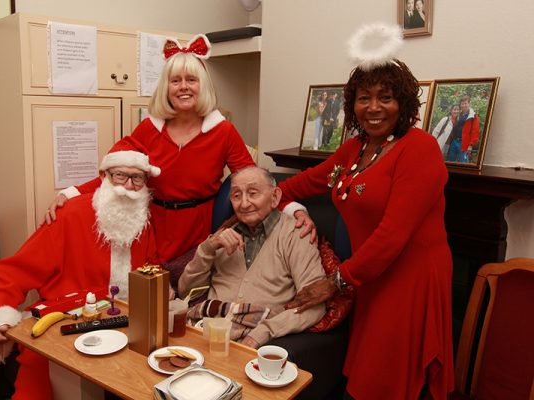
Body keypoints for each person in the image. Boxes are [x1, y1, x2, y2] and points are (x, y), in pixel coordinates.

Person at [279, 24, 454, 399]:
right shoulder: (356, 148)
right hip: (369, 277)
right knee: (367, 374)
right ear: (352, 104)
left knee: (389, 380)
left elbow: (392, 235)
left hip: (409, 279)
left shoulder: (419, 149)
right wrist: (278, 203)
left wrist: (335, 281)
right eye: (364, 98)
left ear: (404, 102)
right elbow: (304, 183)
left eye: (386, 97)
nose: (374, 108)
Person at [45, 34, 255, 263]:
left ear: (202, 85)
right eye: (175, 81)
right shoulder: (149, 129)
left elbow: (254, 182)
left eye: (191, 80)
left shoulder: (223, 131)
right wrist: (70, 193)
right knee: (149, 291)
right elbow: (117, 173)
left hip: (199, 231)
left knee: (186, 293)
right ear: (166, 88)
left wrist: (291, 208)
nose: (183, 87)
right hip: (152, 227)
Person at [0, 141, 160, 399]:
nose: (128, 187)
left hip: (126, 334)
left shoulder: (142, 222)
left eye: (137, 178)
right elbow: (14, 270)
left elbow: (150, 272)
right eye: (119, 175)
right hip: (60, 331)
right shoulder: (70, 215)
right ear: (103, 177)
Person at [178, 166, 326, 349]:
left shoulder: (296, 234)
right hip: (205, 333)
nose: (244, 203)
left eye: (253, 193)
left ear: (275, 197)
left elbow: (315, 306)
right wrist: (208, 248)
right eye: (236, 195)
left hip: (252, 342)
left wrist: (262, 333)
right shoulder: (224, 235)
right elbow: (185, 291)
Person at [446, 95, 480, 163]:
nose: (464, 105)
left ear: (469, 104)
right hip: (454, 141)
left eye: (466, 103)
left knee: (463, 163)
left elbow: (475, 131)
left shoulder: (473, 116)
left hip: (464, 143)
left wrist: (471, 145)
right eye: (462, 103)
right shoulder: (458, 114)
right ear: (460, 105)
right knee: (450, 161)